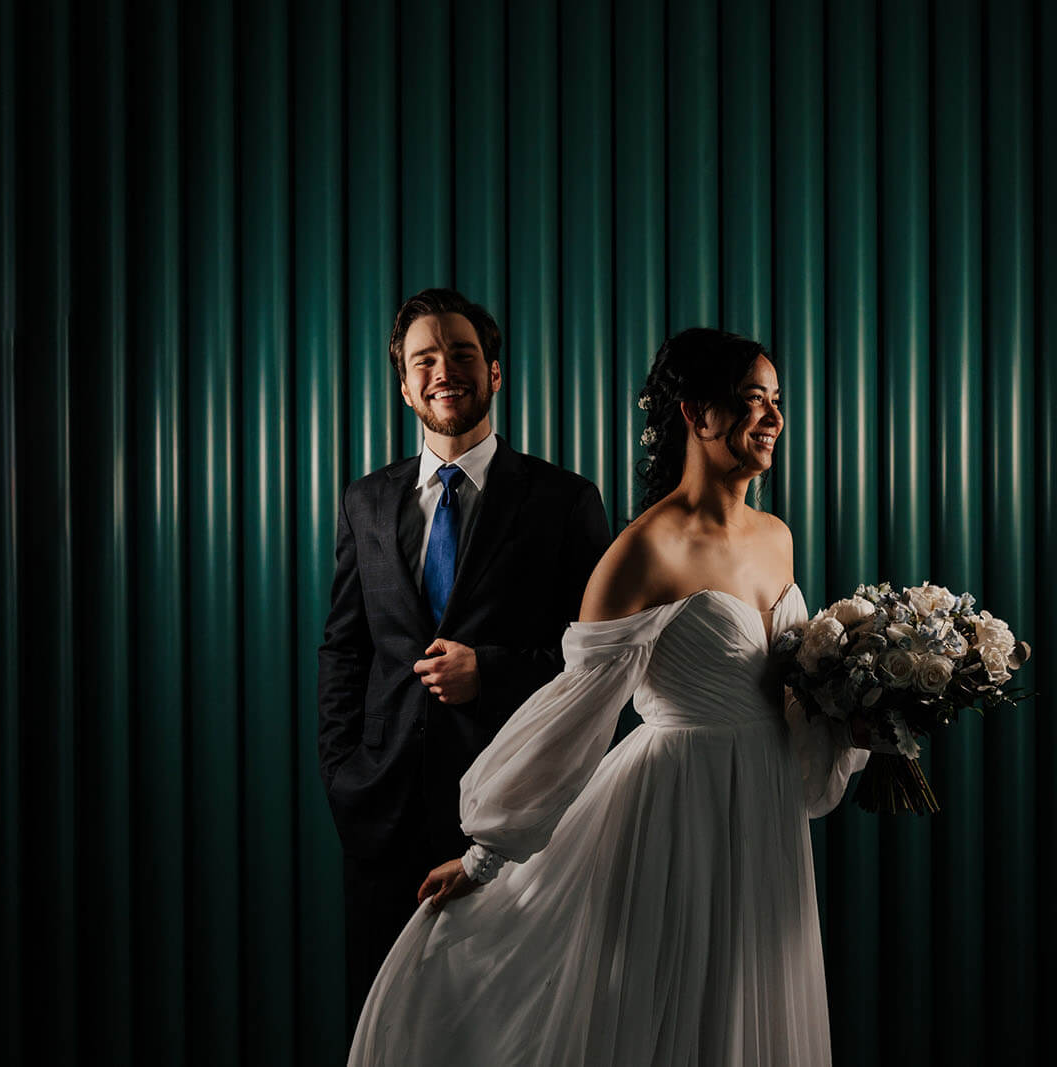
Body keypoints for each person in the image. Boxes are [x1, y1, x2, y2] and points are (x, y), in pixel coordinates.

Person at [347, 328, 870, 1065]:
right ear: (697, 413)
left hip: (763, 810)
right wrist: (487, 857)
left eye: (776, 402)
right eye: (754, 400)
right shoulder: (640, 553)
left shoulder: (777, 537)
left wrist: (868, 700)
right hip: (674, 812)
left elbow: (789, 691)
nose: (774, 419)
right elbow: (575, 713)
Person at [317, 288, 612, 1033]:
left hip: (517, 818)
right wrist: (344, 770)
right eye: (424, 359)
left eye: (461, 353)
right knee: (389, 1027)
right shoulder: (365, 501)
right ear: (406, 383)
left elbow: (599, 666)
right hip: (383, 816)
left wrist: (495, 670)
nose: (443, 369)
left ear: (495, 373)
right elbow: (345, 648)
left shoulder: (564, 501)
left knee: (509, 1031)